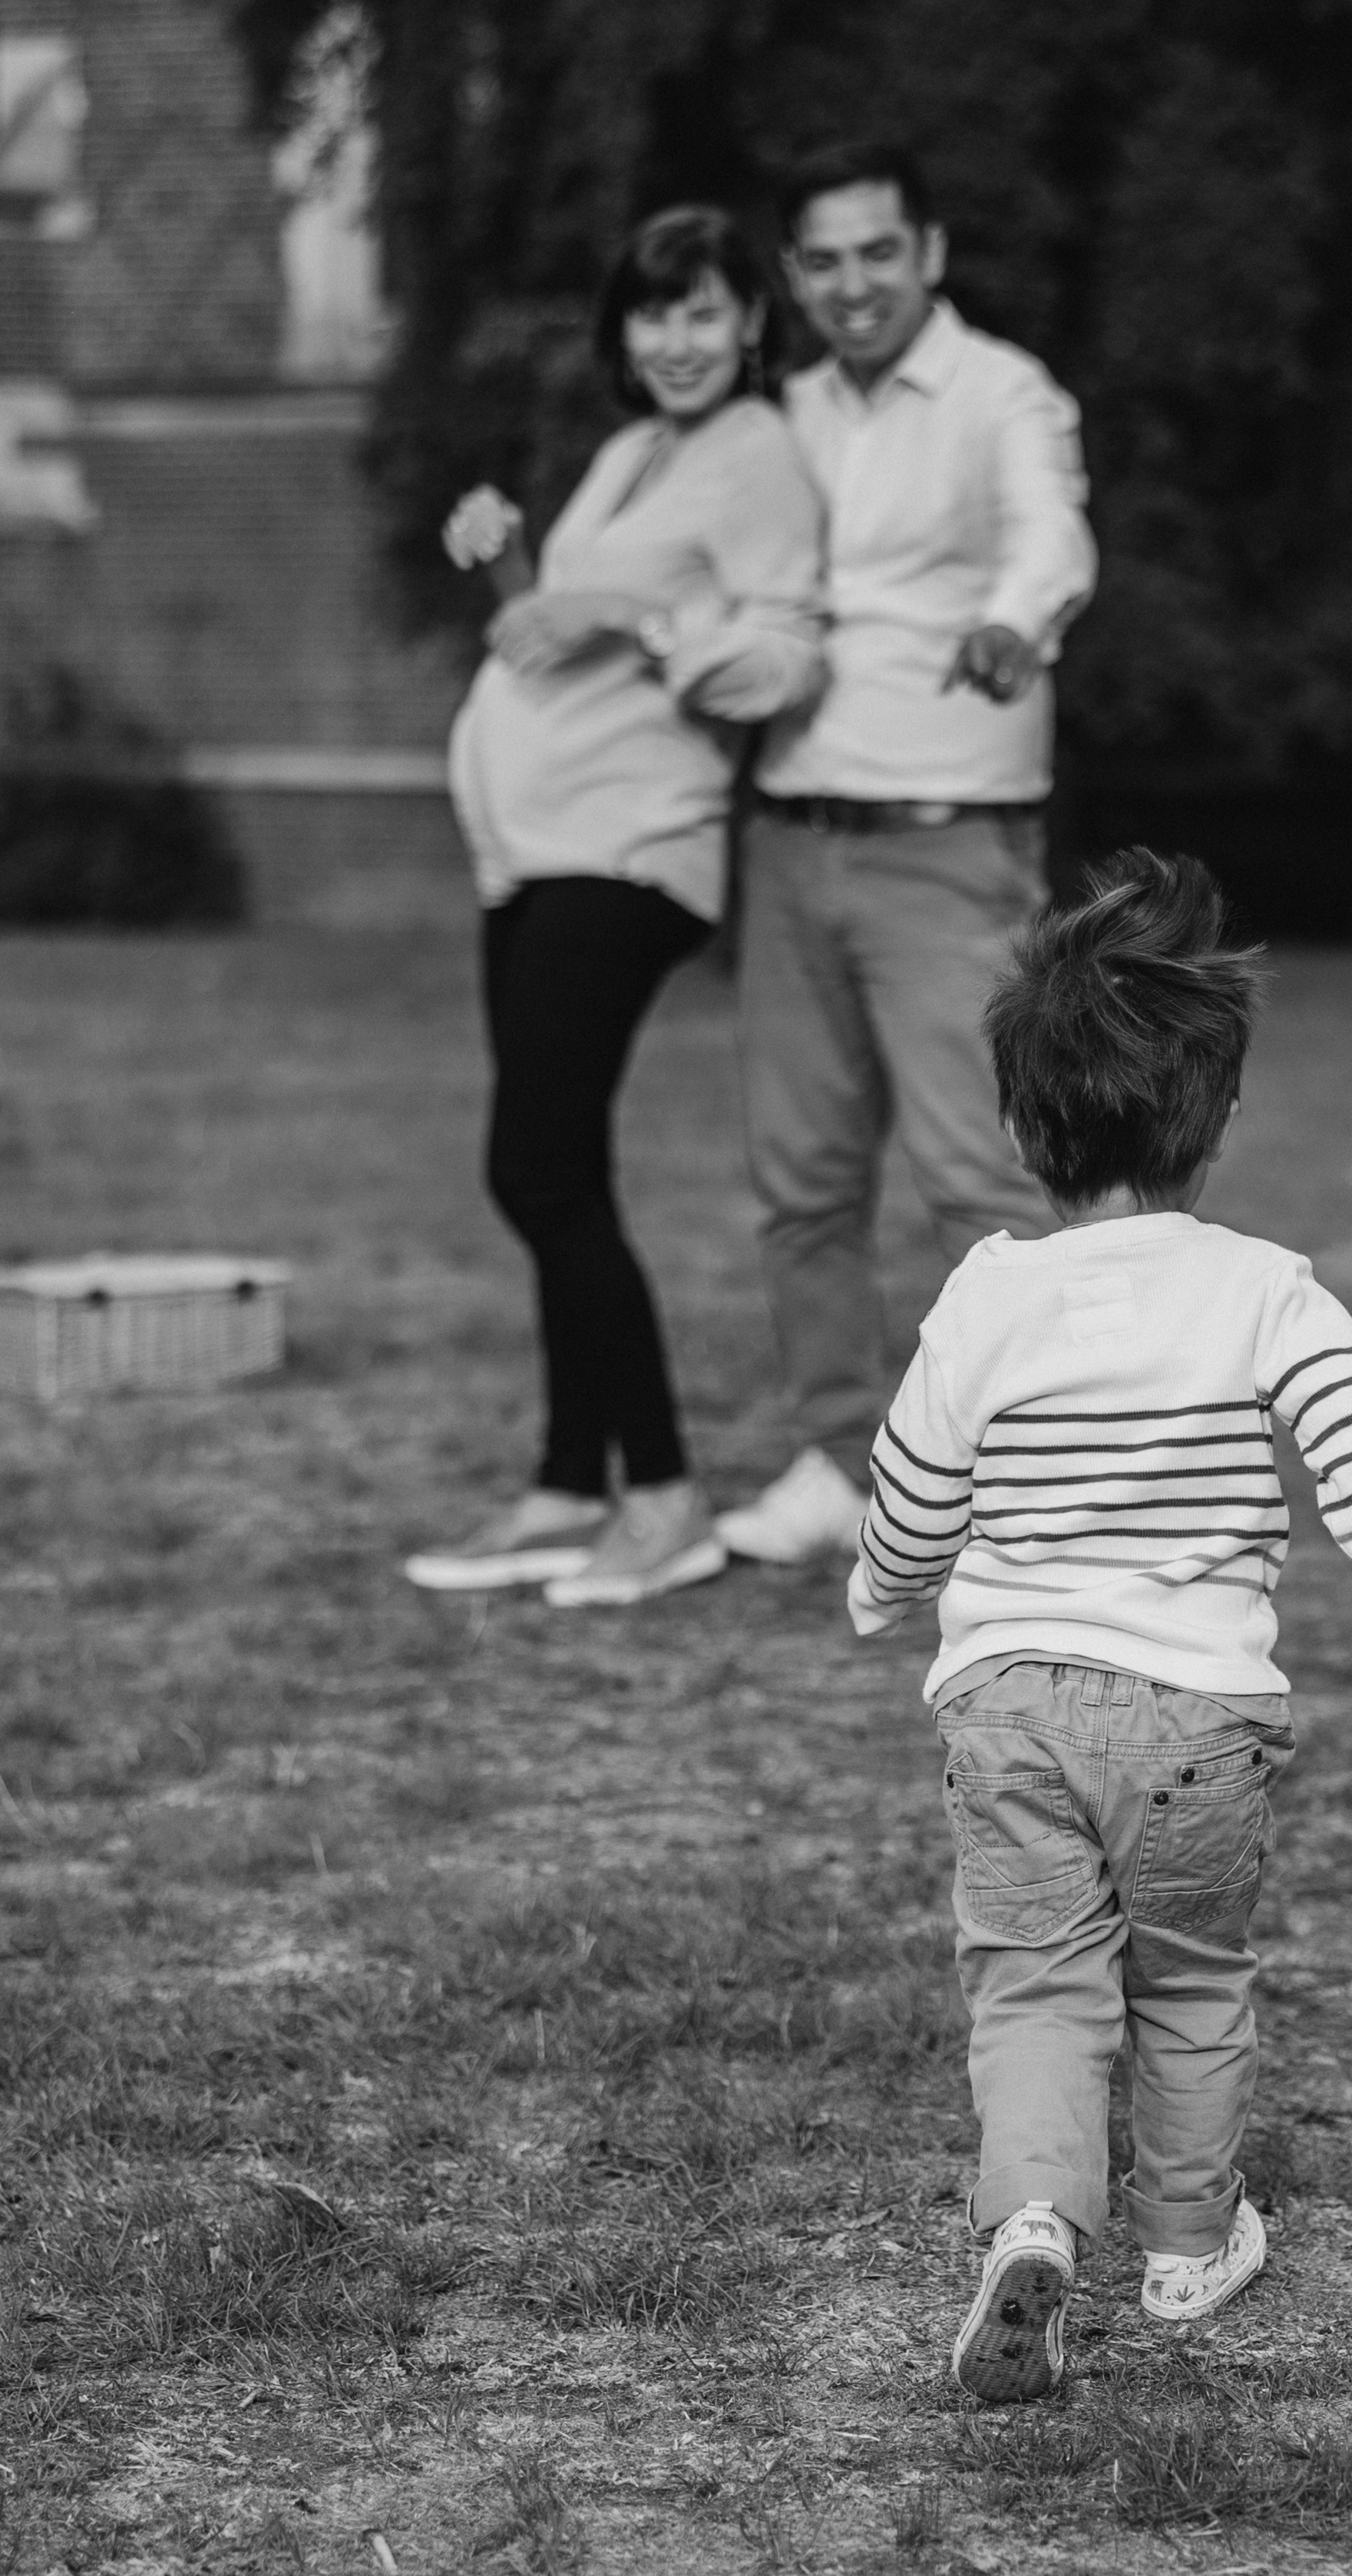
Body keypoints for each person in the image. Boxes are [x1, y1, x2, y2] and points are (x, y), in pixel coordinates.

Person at [846, 849, 1352, 2403]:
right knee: (1191, 1979)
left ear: (1020, 1126)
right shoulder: (1266, 1290)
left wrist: (881, 1586)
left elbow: (915, 1484)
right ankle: (1190, 2248)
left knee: (1036, 1981)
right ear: (1218, 1119)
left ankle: (1035, 2223)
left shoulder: (986, 1295)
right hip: (1198, 1718)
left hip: (1008, 1706)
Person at [405, 206, 824, 1607]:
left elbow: (776, 656)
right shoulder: (633, 450)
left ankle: (662, 1495)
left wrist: (625, 620)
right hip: (535, 851)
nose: (677, 339)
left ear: (751, 321)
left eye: (703, 310)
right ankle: (567, 1483)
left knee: (534, 1172)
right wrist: (517, 569)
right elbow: (571, 634)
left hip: (632, 852)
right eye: (653, 314)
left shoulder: (759, 457)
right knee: (561, 1167)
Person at [714, 141, 1098, 1568]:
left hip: (947, 846)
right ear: (792, 279)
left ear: (928, 253)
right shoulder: (779, 414)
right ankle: (837, 1458)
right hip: (790, 838)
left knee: (982, 1180)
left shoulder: (1004, 393)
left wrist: (1012, 622)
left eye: (878, 251)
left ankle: (1042, 1483)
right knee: (803, 1182)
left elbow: (1053, 538)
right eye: (821, 261)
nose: (852, 283)